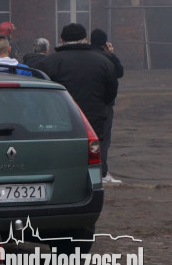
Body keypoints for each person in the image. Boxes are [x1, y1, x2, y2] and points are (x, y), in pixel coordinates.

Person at [36, 23, 118, 170]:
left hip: (59, 120)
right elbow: (111, 93)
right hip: (94, 117)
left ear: (62, 40)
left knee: (60, 159)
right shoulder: (104, 62)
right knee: (93, 156)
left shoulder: (48, 63)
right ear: (86, 39)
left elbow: (40, 96)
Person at [91, 28, 124, 184]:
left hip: (83, 104)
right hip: (103, 105)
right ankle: (102, 173)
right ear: (105, 43)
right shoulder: (107, 58)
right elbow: (119, 73)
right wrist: (112, 54)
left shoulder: (86, 55)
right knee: (102, 140)